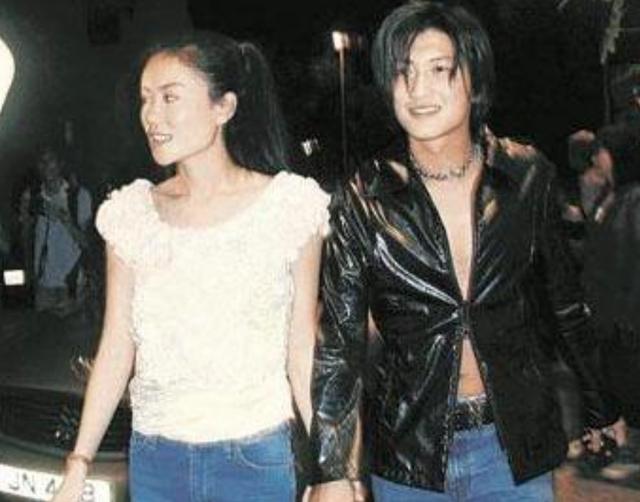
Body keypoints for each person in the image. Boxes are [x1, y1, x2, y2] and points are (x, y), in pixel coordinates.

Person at [309, 2, 620, 501]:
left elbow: (564, 303)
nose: (417, 89)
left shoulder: (526, 177)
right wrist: (330, 468)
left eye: (438, 70)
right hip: (410, 455)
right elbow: (339, 345)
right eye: (403, 72)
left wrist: (600, 404)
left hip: (514, 449)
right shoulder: (364, 197)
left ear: (473, 79)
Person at [53, 30, 329, 501]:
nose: (151, 115)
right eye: (145, 99)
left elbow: (302, 350)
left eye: (169, 97)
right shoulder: (131, 214)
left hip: (255, 461)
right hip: (156, 462)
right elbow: (117, 345)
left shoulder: (288, 208)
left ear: (224, 108)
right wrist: (79, 462)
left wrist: (334, 470)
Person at [583, 122, 640, 482]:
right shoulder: (612, 194)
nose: (595, 159)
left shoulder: (635, 199)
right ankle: (621, 446)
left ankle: (635, 455)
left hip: (628, 313)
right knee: (619, 381)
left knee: (633, 384)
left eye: (601, 151)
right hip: (609, 311)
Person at [18, 147, 93, 315]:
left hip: (72, 283)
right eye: (41, 162)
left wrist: (65, 219)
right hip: (43, 285)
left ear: (60, 164)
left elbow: (87, 242)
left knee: (72, 330)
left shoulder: (78, 196)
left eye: (50, 160)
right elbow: (26, 237)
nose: (46, 166)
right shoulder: (32, 197)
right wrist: (26, 215)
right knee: (44, 331)